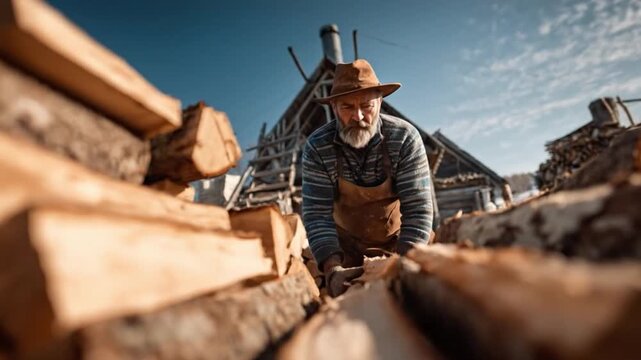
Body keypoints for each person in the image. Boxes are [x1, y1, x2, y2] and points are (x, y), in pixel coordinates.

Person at [302, 59, 434, 296]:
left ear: (380, 102)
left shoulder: (404, 138)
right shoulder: (317, 147)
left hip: (400, 242)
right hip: (346, 250)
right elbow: (317, 215)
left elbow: (418, 208)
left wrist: (403, 265)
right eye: (347, 108)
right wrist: (333, 270)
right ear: (334, 108)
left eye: (367, 106)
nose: (358, 116)